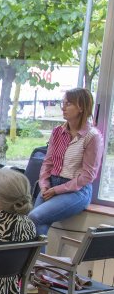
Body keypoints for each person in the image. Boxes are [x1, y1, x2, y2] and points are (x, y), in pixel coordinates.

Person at [29, 87, 103, 236]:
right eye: (62, 103)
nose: (63, 107)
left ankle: (36, 260)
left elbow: (87, 176)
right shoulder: (57, 131)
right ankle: (37, 260)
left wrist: (57, 190)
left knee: (34, 217)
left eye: (68, 104)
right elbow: (47, 163)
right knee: (32, 226)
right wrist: (44, 185)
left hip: (77, 191)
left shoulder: (92, 136)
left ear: (81, 107)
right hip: (51, 185)